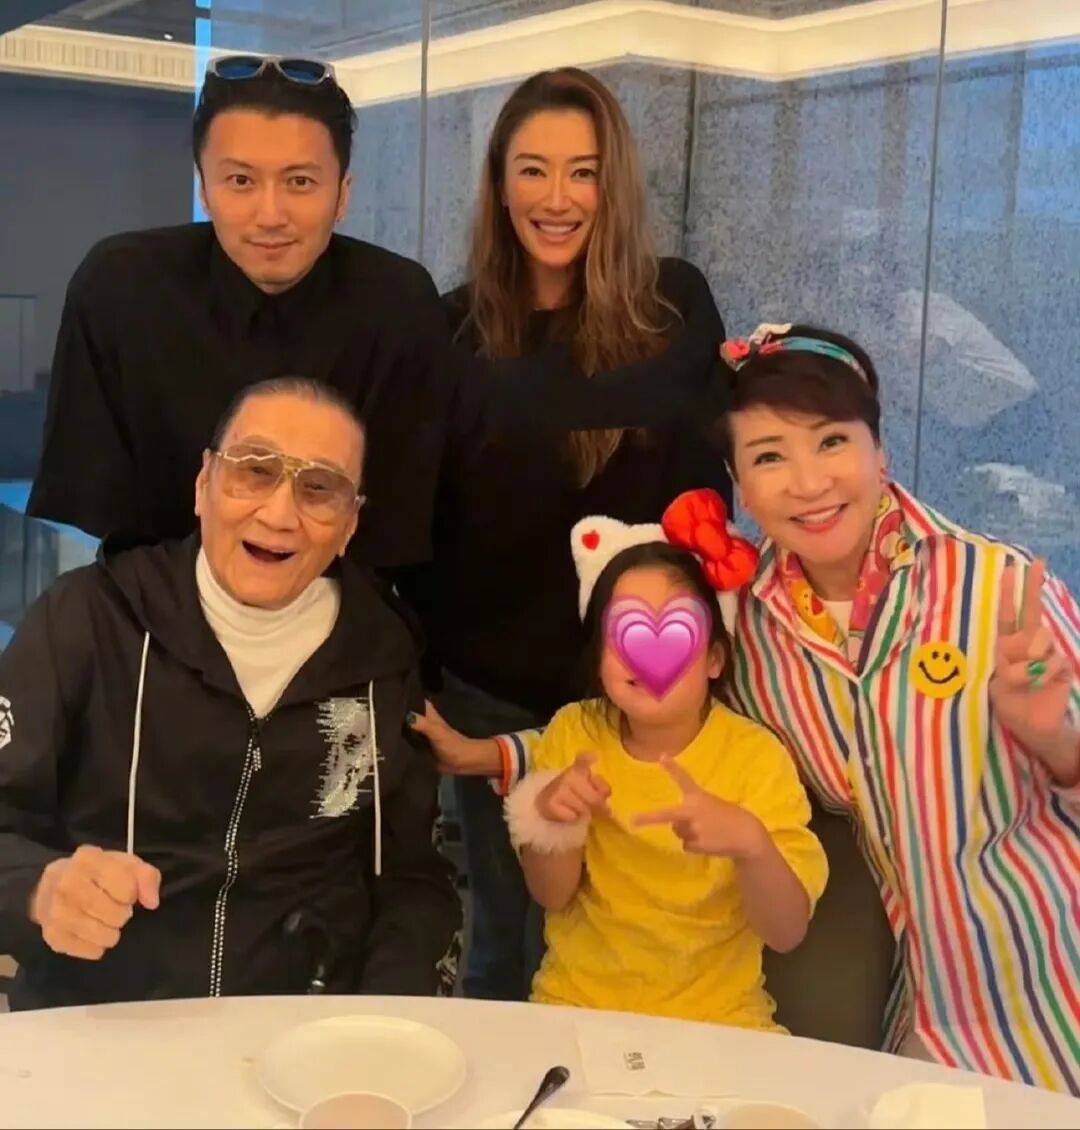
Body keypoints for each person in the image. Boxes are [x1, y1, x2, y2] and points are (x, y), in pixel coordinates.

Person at [28, 57, 720, 571]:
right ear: (204, 186)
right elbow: (100, 524)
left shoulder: (397, 304)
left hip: (634, 647)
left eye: (300, 181)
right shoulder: (123, 288)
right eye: (240, 180)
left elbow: (397, 537)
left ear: (343, 193)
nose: (270, 213)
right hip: (166, 641)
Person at [405, 67, 730, 1000]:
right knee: (506, 944)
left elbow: (706, 490)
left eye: (583, 172)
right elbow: (424, 516)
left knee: (634, 935)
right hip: (494, 696)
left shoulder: (669, 307)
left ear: (612, 184)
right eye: (533, 170)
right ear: (500, 184)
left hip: (641, 683)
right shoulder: (452, 328)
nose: (557, 198)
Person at [0, 378, 459, 1009]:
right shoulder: (85, 621)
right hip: (99, 1022)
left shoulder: (382, 656)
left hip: (303, 1035)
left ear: (350, 524)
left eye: (319, 489)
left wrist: (382, 1024)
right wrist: (39, 889)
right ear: (203, 484)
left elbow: (414, 884)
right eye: (255, 471)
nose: (280, 514)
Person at [703, 324, 1077, 1093]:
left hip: (1056, 981)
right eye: (769, 456)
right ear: (738, 483)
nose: (809, 483)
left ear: (881, 451)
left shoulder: (999, 588)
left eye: (832, 441)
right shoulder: (748, 634)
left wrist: (1054, 740)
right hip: (925, 1020)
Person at [503, 534, 827, 1025]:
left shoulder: (756, 757)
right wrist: (553, 817)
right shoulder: (574, 731)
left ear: (714, 659)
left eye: (677, 630)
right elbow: (550, 895)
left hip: (720, 1021)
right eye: (625, 632)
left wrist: (752, 845)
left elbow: (786, 933)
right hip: (578, 1007)